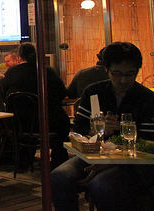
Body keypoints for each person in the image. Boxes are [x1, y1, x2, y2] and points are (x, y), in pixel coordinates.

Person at [51, 42, 154, 210]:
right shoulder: (93, 92)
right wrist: (96, 131)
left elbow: (148, 144)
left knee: (101, 184)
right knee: (59, 177)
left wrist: (109, 162)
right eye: (117, 73)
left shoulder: (147, 99)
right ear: (106, 69)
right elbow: (78, 130)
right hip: (93, 156)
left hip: (134, 164)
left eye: (130, 74)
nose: (123, 80)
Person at [0, 42, 70, 169]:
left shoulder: (11, 73)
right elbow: (62, 93)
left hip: (20, 124)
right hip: (47, 123)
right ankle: (58, 160)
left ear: (20, 57)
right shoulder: (47, 71)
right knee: (63, 120)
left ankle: (24, 160)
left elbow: (4, 95)